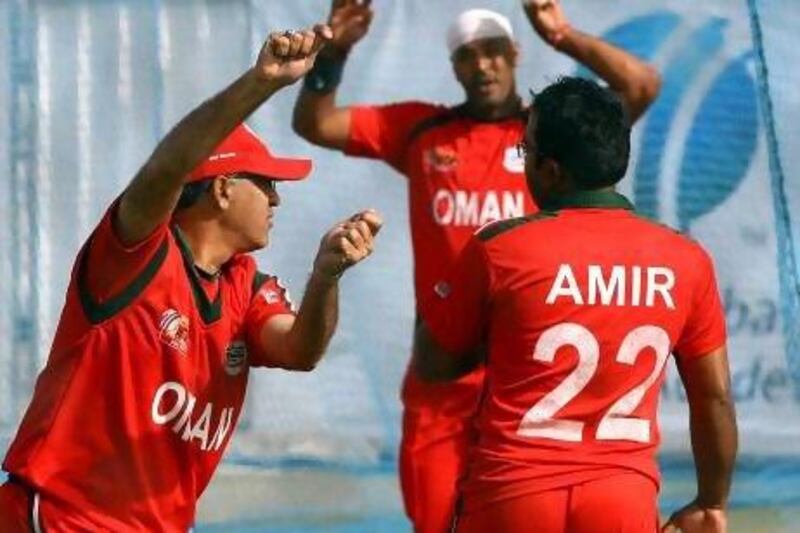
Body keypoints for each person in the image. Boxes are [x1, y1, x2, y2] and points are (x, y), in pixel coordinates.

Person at [292, 1, 661, 530]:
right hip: (443, 371)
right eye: (467, 56)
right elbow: (315, 121)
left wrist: (562, 35)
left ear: (514, 54)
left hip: (530, 376)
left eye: (493, 52)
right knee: (437, 518)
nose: (482, 65)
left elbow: (642, 86)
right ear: (454, 67)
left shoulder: (549, 138)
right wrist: (337, 50)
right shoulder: (423, 131)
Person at [0, 24, 383, 531]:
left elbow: (300, 350)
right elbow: (168, 168)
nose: (276, 199)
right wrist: (261, 82)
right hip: (61, 518)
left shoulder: (245, 285)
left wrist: (325, 276)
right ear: (222, 189)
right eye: (266, 183)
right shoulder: (137, 254)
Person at [414, 76, 737, 533]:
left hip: (511, 494)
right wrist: (711, 501)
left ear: (550, 171)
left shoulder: (502, 248)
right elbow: (715, 397)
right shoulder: (686, 259)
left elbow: (435, 362)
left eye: (525, 151)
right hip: (622, 498)